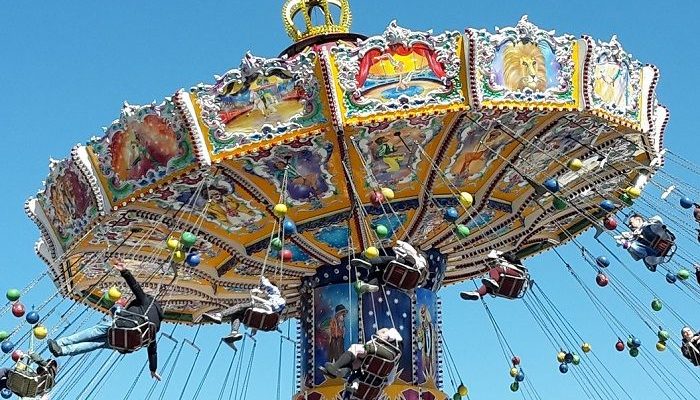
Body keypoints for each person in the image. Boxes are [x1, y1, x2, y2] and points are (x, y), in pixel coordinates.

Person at [47, 260, 163, 381]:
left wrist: (124, 271)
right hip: (124, 344)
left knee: (94, 332)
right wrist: (153, 369)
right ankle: (63, 351)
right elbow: (152, 350)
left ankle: (61, 343)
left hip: (122, 326)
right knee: (95, 344)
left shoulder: (148, 302)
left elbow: (135, 287)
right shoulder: (156, 326)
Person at [202, 276, 285, 348]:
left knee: (240, 306)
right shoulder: (279, 303)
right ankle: (234, 332)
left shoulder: (275, 291)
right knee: (236, 315)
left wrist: (262, 278)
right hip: (268, 322)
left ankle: (219, 315)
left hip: (268, 309)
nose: (265, 292)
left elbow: (267, 284)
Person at [320, 328, 402, 397]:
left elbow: (366, 348)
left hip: (365, 373)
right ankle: (339, 371)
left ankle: (336, 368)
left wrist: (368, 347)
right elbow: (389, 382)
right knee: (357, 361)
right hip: (372, 385)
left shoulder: (380, 344)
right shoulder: (392, 363)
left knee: (354, 348)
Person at [351, 241, 428, 293]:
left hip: (409, 265)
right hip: (404, 284)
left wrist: (400, 243)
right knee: (380, 275)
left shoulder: (417, 255)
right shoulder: (424, 273)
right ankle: (370, 284)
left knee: (387, 260)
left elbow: (405, 246)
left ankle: (369, 262)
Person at [460, 250, 527, 301]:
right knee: (488, 285)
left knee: (493, 271)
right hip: (510, 288)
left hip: (517, 275)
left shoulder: (511, 263)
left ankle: (493, 281)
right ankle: (477, 293)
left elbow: (514, 259)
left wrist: (501, 254)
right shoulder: (501, 276)